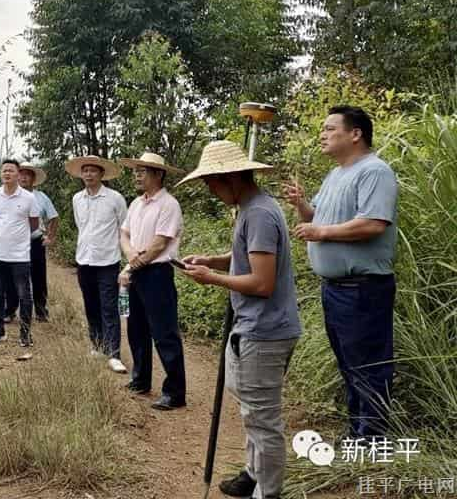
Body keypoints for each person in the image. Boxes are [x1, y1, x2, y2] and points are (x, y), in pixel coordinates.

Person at [179, 141, 302, 499]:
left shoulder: (259, 214)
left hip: (264, 331)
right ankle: (253, 473)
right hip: (255, 327)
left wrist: (212, 278)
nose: (211, 192)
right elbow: (249, 259)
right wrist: (215, 261)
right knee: (252, 410)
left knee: (263, 421)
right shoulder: (251, 208)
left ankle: (269, 491)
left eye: (212, 184)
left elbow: (262, 283)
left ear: (230, 178)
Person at [283, 105, 398, 438]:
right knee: (349, 365)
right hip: (335, 288)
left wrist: (321, 233)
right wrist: (302, 205)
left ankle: (373, 441)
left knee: (368, 366)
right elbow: (315, 217)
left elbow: (374, 223)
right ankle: (357, 434)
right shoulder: (336, 174)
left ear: (355, 134)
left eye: (330, 128)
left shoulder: (374, 171)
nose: (323, 134)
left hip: (363, 288)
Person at [118, 151, 188, 411]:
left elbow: (160, 244)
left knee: (164, 332)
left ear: (158, 174)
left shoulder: (169, 204)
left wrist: (132, 264)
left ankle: (175, 392)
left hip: (157, 273)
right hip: (136, 270)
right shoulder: (136, 204)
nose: (137, 175)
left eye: (143, 171)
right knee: (136, 328)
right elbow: (124, 234)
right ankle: (140, 379)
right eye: (136, 170)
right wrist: (130, 258)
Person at [67, 155, 128, 374]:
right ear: (81, 174)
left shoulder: (115, 199)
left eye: (93, 171)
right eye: (85, 171)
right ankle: (98, 346)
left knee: (109, 307)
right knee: (91, 305)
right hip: (84, 259)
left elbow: (124, 228)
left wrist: (128, 261)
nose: (89, 175)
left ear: (102, 174)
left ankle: (114, 354)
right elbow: (80, 226)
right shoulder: (77, 199)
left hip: (108, 261)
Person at [0, 160, 40, 347]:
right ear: (1, 174)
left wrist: (18, 236)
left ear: (18, 174)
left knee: (24, 295)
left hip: (20, 256)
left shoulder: (28, 198)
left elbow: (34, 223)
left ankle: (25, 333)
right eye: (4, 170)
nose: (7, 173)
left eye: (11, 170)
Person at [3, 163, 59, 323]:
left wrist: (50, 237)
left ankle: (41, 311)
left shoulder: (41, 197)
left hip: (35, 242)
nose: (24, 177)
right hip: (14, 243)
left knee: (38, 277)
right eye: (21, 174)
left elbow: (54, 217)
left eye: (28, 174)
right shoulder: (9, 195)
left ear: (33, 179)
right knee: (12, 277)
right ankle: (10, 311)